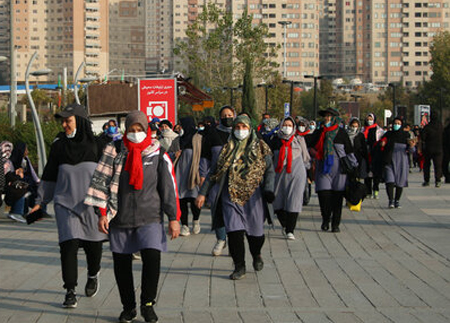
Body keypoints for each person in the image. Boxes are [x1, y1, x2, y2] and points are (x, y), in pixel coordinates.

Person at [85, 110, 180, 323]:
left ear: (147, 130)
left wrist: (173, 217)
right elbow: (100, 182)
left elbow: (168, 187)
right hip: (120, 217)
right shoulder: (114, 151)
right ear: (125, 130)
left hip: (151, 217)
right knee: (121, 265)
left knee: (152, 258)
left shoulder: (158, 153)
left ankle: (148, 304)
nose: (135, 134)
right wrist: (102, 213)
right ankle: (128, 307)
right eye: (131, 130)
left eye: (139, 130)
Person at [29, 103, 107, 308]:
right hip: (65, 205)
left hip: (91, 205)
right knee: (68, 247)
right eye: (62, 121)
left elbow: (107, 178)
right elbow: (49, 176)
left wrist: (108, 207)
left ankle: (93, 274)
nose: (64, 125)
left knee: (93, 247)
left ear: (80, 121)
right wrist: (40, 203)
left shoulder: (98, 145)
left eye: (68, 121)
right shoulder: (59, 145)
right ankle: (70, 290)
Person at [196, 115, 275, 280]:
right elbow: (213, 173)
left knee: (256, 234)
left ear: (250, 128)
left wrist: (268, 189)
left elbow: (269, 170)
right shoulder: (227, 149)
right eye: (237, 127)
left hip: (254, 198)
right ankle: (239, 266)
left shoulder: (261, 147)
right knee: (234, 233)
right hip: (230, 196)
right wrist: (203, 193)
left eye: (244, 127)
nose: (240, 131)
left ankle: (256, 254)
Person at [309, 107, 357, 233]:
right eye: (325, 116)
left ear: (335, 118)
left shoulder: (341, 133)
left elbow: (349, 151)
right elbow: (308, 145)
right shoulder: (320, 132)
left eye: (330, 116)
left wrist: (354, 166)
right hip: (323, 167)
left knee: (337, 197)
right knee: (323, 195)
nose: (327, 118)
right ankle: (326, 219)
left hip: (339, 169)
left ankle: (335, 223)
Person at [198, 106, 236, 256]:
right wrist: (202, 176)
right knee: (217, 207)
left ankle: (234, 240)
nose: (227, 117)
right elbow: (205, 157)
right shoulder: (213, 134)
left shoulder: (239, 133)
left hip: (236, 179)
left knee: (234, 211)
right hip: (216, 179)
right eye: (224, 115)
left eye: (230, 115)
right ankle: (221, 238)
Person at [270, 116, 310, 240]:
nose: (287, 128)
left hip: (296, 173)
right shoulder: (275, 140)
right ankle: (285, 224)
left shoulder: (298, 140)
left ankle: (290, 230)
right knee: (277, 202)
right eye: (285, 125)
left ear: (293, 128)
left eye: (289, 126)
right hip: (279, 174)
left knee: (294, 201)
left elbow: (305, 157)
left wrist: (308, 172)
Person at [175, 116, 202, 236]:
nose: (180, 127)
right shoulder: (179, 139)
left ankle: (196, 221)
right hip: (180, 173)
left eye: (182, 124)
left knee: (194, 198)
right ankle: (184, 225)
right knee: (182, 200)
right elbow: (171, 153)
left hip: (194, 172)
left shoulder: (198, 138)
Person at [380, 117, 413, 208]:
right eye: (395, 123)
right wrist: (382, 144)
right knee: (389, 181)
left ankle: (397, 200)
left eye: (399, 123)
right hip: (389, 160)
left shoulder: (406, 135)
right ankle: (390, 200)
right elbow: (381, 145)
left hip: (402, 161)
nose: (396, 125)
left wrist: (411, 146)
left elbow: (411, 150)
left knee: (399, 182)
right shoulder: (388, 134)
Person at [361, 113, 385, 199]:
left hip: (376, 153)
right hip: (366, 153)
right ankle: (368, 191)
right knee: (367, 172)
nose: (369, 121)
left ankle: (376, 189)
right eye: (368, 119)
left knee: (376, 172)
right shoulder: (363, 129)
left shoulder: (379, 130)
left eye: (371, 119)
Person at [421, 113, 443, 187]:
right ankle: (438, 180)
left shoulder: (427, 127)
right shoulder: (440, 127)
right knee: (438, 165)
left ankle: (427, 180)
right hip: (439, 149)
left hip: (428, 149)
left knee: (426, 165)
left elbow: (423, 137)